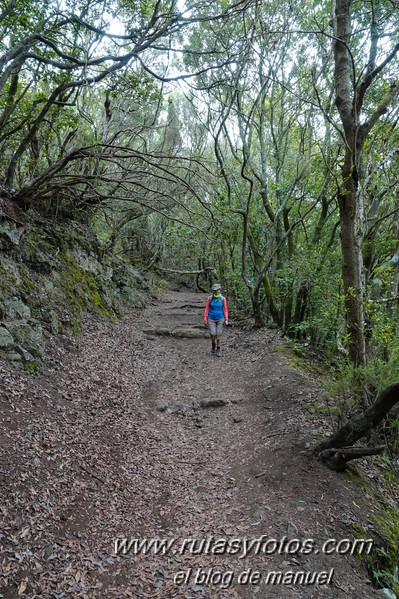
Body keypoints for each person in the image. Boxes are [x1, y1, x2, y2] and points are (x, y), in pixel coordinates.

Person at [203, 283, 229, 357]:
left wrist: (226, 318)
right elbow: (207, 308)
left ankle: (218, 349)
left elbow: (225, 309)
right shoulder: (210, 298)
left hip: (220, 318)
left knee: (218, 334)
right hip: (211, 318)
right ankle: (213, 344)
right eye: (214, 290)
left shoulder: (223, 299)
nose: (216, 291)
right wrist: (205, 318)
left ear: (219, 290)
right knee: (213, 333)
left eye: (217, 290)